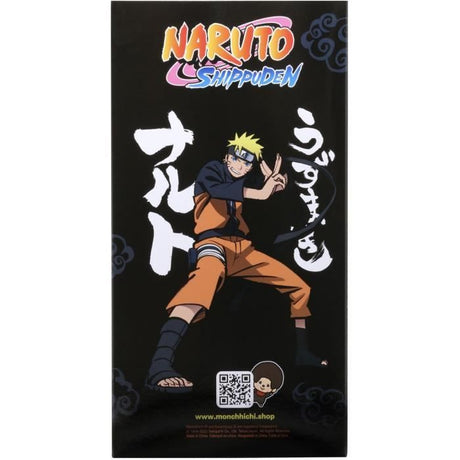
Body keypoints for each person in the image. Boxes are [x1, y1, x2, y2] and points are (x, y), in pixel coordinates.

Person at [146, 133, 327, 393]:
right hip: (212, 244)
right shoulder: (211, 171)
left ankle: (302, 352)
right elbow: (219, 190)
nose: (240, 166)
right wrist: (261, 192)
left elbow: (271, 199)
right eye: (236, 159)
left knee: (300, 288)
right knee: (200, 288)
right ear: (227, 157)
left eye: (246, 163)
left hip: (243, 249)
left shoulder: (245, 181)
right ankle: (160, 365)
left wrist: (276, 187)